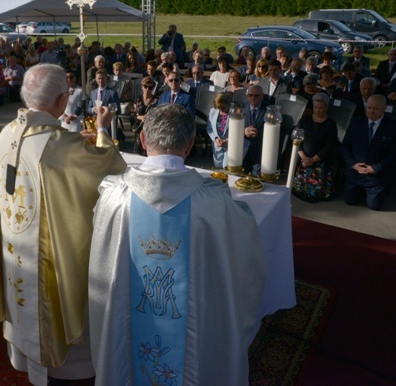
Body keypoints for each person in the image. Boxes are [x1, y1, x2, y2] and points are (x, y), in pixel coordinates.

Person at [88, 104, 265, 386]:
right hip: (190, 332)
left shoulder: (114, 197)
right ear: (190, 145)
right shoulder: (215, 204)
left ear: (143, 140)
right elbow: (245, 262)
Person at [0, 63, 126, 386]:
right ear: (62, 101)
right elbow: (110, 166)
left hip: (15, 245)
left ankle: (22, 354)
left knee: (21, 288)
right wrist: (103, 131)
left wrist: (76, 139)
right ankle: (66, 369)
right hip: (44, 262)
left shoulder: (7, 132)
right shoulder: (58, 146)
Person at [342, 94, 396, 210]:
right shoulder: (356, 122)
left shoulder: (394, 127)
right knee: (350, 201)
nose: (371, 111)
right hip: (355, 172)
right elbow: (345, 146)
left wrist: (376, 168)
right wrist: (353, 165)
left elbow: (394, 153)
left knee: (374, 206)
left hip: (376, 176)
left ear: (384, 108)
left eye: (375, 109)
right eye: (369, 107)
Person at [292, 93, 339, 203]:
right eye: (315, 107)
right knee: (298, 191)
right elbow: (296, 138)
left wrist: (313, 160)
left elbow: (329, 146)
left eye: (321, 108)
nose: (317, 110)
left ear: (326, 108)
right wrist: (304, 158)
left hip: (320, 161)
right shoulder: (305, 120)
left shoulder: (331, 124)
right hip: (304, 160)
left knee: (313, 195)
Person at [207, 92, 247, 169]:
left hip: (231, 144)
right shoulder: (213, 111)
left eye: (223, 108)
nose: (221, 110)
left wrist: (227, 141)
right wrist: (216, 139)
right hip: (217, 144)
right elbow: (209, 128)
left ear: (229, 104)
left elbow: (239, 131)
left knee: (226, 166)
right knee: (218, 165)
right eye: (219, 108)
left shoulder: (236, 112)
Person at [242, 85, 269, 174]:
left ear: (262, 96)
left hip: (260, 151)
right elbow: (233, 127)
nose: (253, 98)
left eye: (256, 95)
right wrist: (244, 131)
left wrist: (259, 133)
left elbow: (273, 132)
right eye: (250, 95)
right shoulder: (241, 107)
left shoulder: (268, 110)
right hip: (243, 149)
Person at [132, 76, 159, 155]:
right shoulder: (137, 99)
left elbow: (158, 114)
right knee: (137, 153)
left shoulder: (156, 100)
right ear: (142, 87)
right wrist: (140, 117)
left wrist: (149, 117)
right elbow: (133, 114)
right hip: (139, 128)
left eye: (150, 87)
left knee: (150, 152)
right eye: (145, 86)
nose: (147, 89)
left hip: (151, 128)